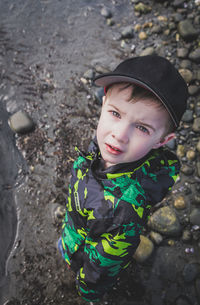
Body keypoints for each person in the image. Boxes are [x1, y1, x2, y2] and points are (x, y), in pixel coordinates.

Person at [58, 55, 188, 302]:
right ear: (104, 101)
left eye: (141, 128)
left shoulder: (124, 212)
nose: (119, 135)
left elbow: (103, 268)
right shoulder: (100, 145)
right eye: (116, 113)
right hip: (73, 232)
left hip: (86, 255)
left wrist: (88, 290)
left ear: (162, 140)